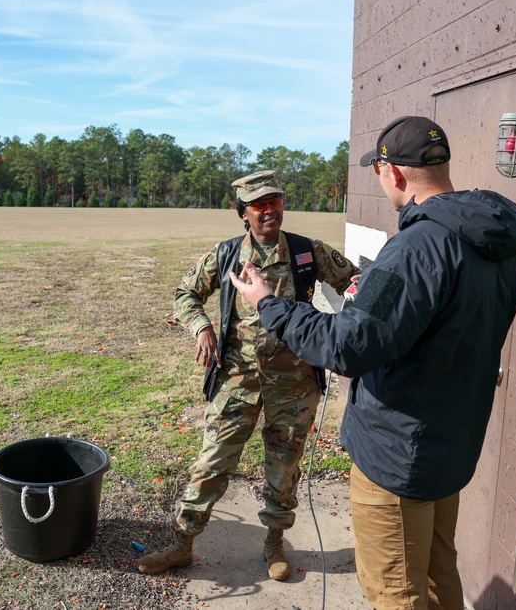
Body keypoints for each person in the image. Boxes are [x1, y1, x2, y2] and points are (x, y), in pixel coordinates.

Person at [230, 117, 516, 609]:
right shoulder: (500, 245)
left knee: (396, 592)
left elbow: (348, 347)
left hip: (398, 454)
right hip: (449, 444)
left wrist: (267, 303)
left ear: (392, 173)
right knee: (437, 576)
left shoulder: (416, 249)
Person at [137, 170, 359, 581]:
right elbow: (184, 294)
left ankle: (274, 541)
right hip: (236, 380)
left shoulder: (306, 252)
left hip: (293, 384)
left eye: (274, 201)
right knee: (212, 461)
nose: (269, 209)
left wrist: (350, 321)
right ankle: (183, 543)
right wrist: (201, 327)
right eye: (259, 204)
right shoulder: (224, 255)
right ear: (243, 212)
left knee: (283, 466)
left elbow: (355, 281)